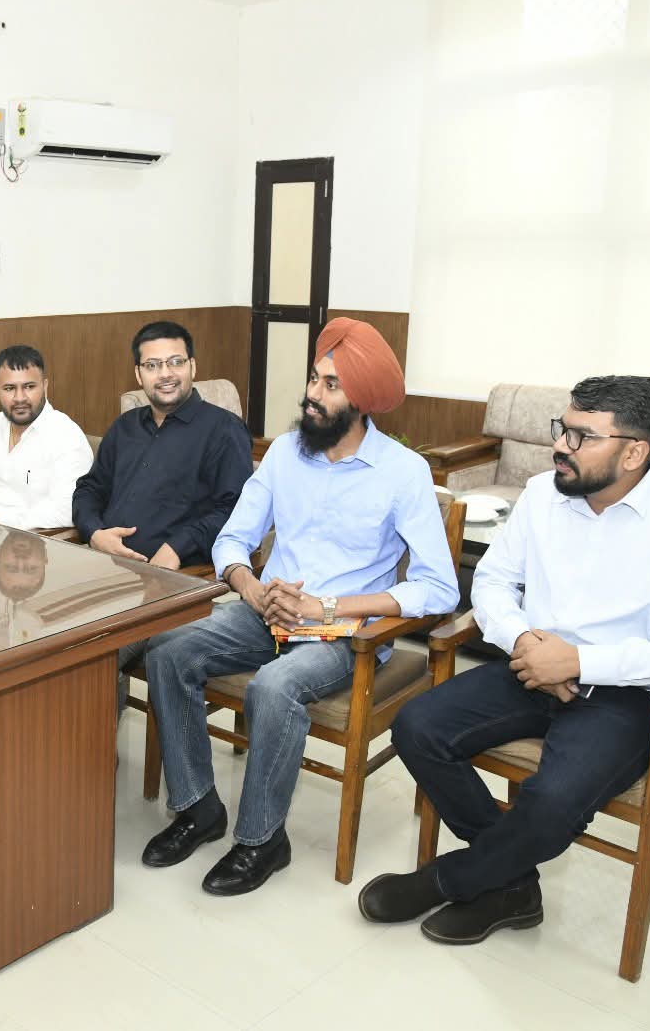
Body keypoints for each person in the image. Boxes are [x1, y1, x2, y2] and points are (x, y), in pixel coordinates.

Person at [360, 375, 650, 946]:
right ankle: (511, 885)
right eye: (563, 428)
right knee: (417, 726)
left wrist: (580, 662)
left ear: (634, 452)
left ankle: (451, 879)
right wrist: (525, 643)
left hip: (628, 695)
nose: (561, 445)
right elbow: (492, 582)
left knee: (554, 798)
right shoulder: (542, 495)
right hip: (529, 666)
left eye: (582, 436)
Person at [140, 317, 457, 896]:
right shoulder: (286, 453)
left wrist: (324, 607)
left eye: (331, 385)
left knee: (273, 687)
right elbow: (232, 540)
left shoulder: (402, 473)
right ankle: (197, 806)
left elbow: (439, 588)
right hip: (265, 612)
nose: (313, 394)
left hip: (345, 632)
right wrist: (250, 586)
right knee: (167, 652)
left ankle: (262, 840)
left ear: (361, 401)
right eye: (314, 378)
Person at [72, 320, 252, 570]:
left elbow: (235, 509)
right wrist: (95, 533)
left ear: (192, 367)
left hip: (178, 576)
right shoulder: (125, 426)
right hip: (106, 566)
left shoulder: (224, 430)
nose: (165, 373)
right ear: (139, 375)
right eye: (152, 365)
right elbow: (89, 489)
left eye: (176, 362)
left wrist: (177, 547)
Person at [0, 345, 94, 530]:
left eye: (29, 387)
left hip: (41, 540)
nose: (20, 398)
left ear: (45, 387)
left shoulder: (66, 435)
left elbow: (69, 508)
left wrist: (3, 520)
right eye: (9, 388)